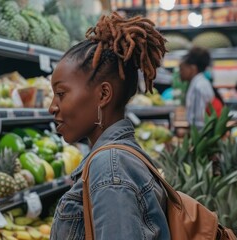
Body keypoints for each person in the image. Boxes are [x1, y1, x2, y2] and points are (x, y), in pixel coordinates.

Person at [48, 12, 170, 239]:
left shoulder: (110, 166)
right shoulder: (119, 158)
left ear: (103, 94)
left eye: (61, 94)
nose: (52, 107)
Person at [179, 47, 222, 128]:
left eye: (182, 69)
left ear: (193, 68)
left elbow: (198, 120)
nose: (180, 72)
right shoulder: (200, 83)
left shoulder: (198, 86)